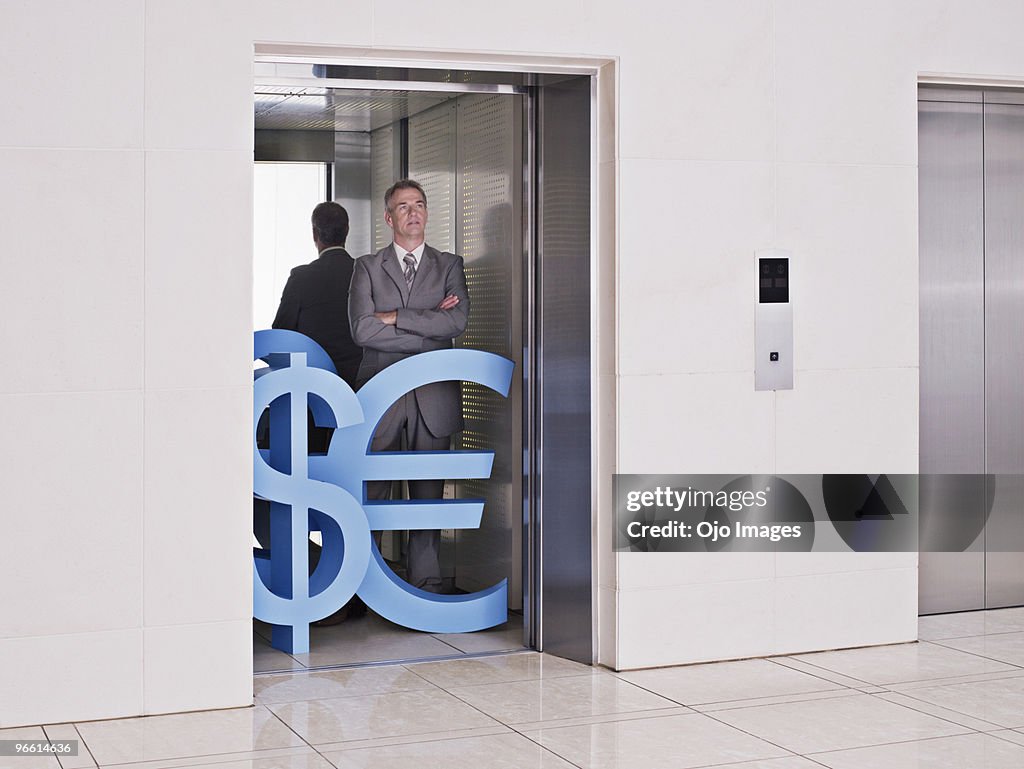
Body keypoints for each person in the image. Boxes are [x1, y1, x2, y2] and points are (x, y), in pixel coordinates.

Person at [349, 179, 469, 592]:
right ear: (389, 217)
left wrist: (394, 316)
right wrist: (424, 323)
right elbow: (362, 330)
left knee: (428, 493)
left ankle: (427, 585)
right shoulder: (366, 266)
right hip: (380, 393)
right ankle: (366, 584)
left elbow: (455, 323)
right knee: (373, 491)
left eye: (419, 204)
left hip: (433, 396)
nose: (413, 212)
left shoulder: (450, 265)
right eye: (403, 207)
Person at [258, 200, 365, 624]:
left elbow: (280, 337)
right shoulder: (367, 273)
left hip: (306, 407)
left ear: (315, 234)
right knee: (350, 496)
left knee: (293, 492)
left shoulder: (302, 278)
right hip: (359, 405)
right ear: (347, 231)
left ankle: (311, 582)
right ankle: (351, 586)